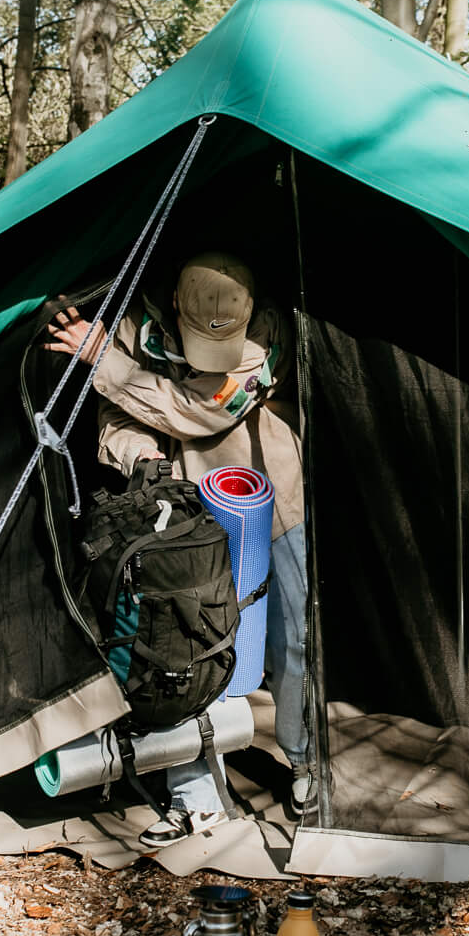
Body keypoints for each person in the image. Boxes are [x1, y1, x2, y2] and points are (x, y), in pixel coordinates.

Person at [45, 251, 311, 847]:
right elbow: (115, 417)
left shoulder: (268, 330)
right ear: (173, 306)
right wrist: (140, 457)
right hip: (180, 517)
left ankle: (304, 762)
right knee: (179, 645)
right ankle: (197, 798)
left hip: (273, 503)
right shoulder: (134, 330)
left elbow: (201, 409)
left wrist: (103, 363)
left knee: (293, 640)